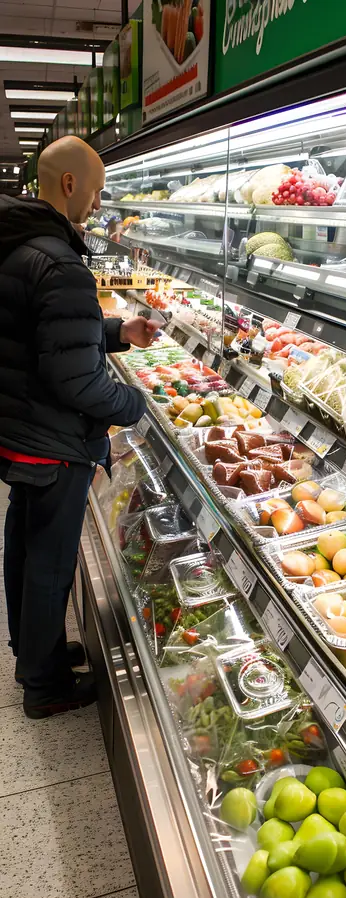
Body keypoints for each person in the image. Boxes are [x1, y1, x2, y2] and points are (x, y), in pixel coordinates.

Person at [0, 136, 157, 719]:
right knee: (49, 561)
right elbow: (74, 381)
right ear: (69, 185)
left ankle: (32, 649)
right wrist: (134, 403)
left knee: (23, 545)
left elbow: (40, 334)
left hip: (21, 426)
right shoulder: (60, 259)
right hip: (52, 437)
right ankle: (44, 686)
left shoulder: (20, 243)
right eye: (94, 190)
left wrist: (117, 334)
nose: (96, 203)